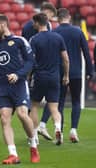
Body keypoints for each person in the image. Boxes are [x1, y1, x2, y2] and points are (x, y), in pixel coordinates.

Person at [0, 14, 40, 164]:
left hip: (19, 85)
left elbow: (31, 62)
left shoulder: (19, 41)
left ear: (3, 25)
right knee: (4, 118)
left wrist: (18, 74)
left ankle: (33, 145)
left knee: (22, 114)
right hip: (2, 88)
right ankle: (13, 154)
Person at [51, 8, 93, 143]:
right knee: (76, 101)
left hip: (59, 72)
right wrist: (89, 71)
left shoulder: (54, 32)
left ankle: (60, 131)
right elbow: (87, 53)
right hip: (76, 73)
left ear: (58, 18)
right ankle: (74, 130)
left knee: (60, 102)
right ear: (69, 17)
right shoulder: (78, 31)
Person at [29, 13, 69, 145]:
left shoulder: (34, 39)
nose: (32, 25)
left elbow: (30, 60)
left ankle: (34, 135)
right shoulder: (58, 38)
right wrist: (66, 75)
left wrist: (28, 76)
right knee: (54, 108)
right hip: (54, 77)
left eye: (33, 23)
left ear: (37, 23)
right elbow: (66, 59)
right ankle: (58, 128)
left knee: (34, 106)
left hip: (39, 77)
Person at [22, 2, 57, 141]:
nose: (50, 18)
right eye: (49, 15)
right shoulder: (29, 28)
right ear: (44, 13)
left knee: (49, 100)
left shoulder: (48, 27)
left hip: (45, 69)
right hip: (34, 69)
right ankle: (33, 131)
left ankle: (39, 127)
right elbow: (25, 48)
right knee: (33, 102)